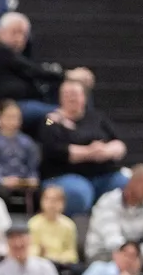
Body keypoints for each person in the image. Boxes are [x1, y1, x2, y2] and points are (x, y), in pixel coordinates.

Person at [38, 80, 128, 216]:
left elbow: (119, 144)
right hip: (65, 175)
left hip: (104, 174)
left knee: (127, 183)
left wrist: (105, 151)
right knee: (79, 192)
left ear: (84, 97)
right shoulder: (50, 119)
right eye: (67, 94)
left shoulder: (98, 118)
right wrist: (90, 152)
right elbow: (54, 148)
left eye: (75, 94)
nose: (71, 97)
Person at [85, 166, 143, 265]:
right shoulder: (107, 202)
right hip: (101, 255)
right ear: (133, 184)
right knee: (129, 259)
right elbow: (114, 243)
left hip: (133, 255)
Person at [27, 183, 77, 265]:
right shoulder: (33, 223)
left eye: (56, 200)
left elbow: (71, 253)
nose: (51, 204)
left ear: (63, 203)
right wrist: (40, 252)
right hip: (39, 262)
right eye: (48, 199)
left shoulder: (69, 225)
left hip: (60, 264)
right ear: (41, 201)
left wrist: (58, 258)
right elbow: (30, 249)